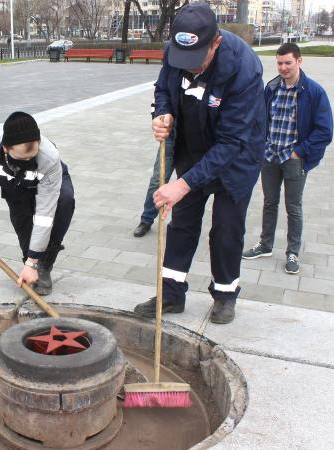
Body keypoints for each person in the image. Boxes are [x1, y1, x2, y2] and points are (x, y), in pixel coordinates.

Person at [133, 2, 266, 324]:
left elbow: (232, 142)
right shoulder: (178, 48)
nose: (189, 68)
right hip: (192, 148)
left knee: (226, 228)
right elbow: (163, 89)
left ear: (216, 42)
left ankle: (224, 294)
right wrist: (161, 114)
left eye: (196, 61)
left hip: (237, 158)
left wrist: (181, 184)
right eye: (183, 60)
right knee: (181, 224)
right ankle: (171, 293)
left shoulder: (243, 69)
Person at [242, 43, 333, 274]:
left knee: (293, 207)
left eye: (288, 63)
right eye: (280, 63)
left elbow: (324, 131)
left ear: (299, 61)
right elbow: (260, 119)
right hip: (270, 156)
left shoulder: (314, 92)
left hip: (294, 159)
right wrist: (260, 145)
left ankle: (292, 252)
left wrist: (299, 152)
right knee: (269, 202)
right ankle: (265, 244)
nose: (283, 68)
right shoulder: (271, 88)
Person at [0, 111, 75, 295]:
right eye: (22, 158)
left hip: (49, 180)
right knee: (23, 221)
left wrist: (33, 262)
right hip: (14, 185)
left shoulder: (49, 157)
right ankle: (31, 264)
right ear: (6, 148)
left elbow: (44, 215)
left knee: (64, 201)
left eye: (31, 157)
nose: (28, 161)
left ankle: (44, 263)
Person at [132, 134, 175, 238]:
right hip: (172, 136)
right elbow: (157, 117)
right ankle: (146, 220)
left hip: (194, 140)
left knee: (188, 185)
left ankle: (184, 224)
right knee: (157, 180)